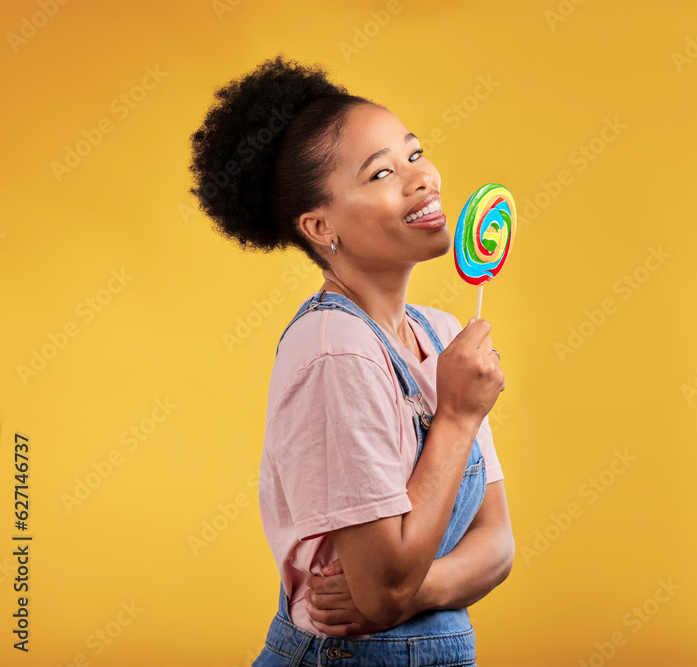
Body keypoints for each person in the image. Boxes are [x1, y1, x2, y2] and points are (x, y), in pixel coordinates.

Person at [188, 54, 515, 666]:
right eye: (380, 174)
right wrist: (457, 417)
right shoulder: (334, 350)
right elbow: (383, 588)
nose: (422, 180)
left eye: (415, 155)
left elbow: (497, 546)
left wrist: (416, 590)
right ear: (320, 226)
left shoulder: (444, 336)